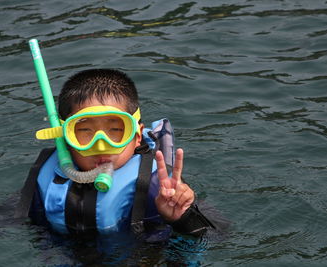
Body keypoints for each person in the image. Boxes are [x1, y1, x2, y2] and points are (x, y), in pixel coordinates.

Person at [18, 69, 228, 241]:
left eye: (116, 131)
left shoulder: (157, 184)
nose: (102, 146)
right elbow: (7, 218)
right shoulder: (46, 174)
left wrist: (181, 217)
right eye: (84, 132)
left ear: (136, 136)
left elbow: (218, 235)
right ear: (65, 138)